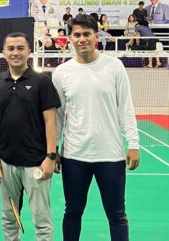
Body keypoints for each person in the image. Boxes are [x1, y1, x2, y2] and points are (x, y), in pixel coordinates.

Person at [51, 15, 140, 241]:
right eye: (77, 35)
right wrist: (54, 150)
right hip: (74, 156)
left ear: (96, 35)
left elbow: (126, 107)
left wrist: (133, 143)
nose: (82, 39)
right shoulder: (61, 72)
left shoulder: (114, 66)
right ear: (70, 38)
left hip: (110, 155)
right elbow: (58, 116)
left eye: (86, 34)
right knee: (72, 213)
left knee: (117, 215)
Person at [0, 32, 60, 240]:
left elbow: (50, 122)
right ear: (4, 52)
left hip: (36, 163)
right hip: (6, 163)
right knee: (9, 218)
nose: (15, 53)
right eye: (11, 48)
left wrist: (51, 156)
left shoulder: (42, 82)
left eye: (20, 48)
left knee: (41, 221)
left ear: (29, 51)